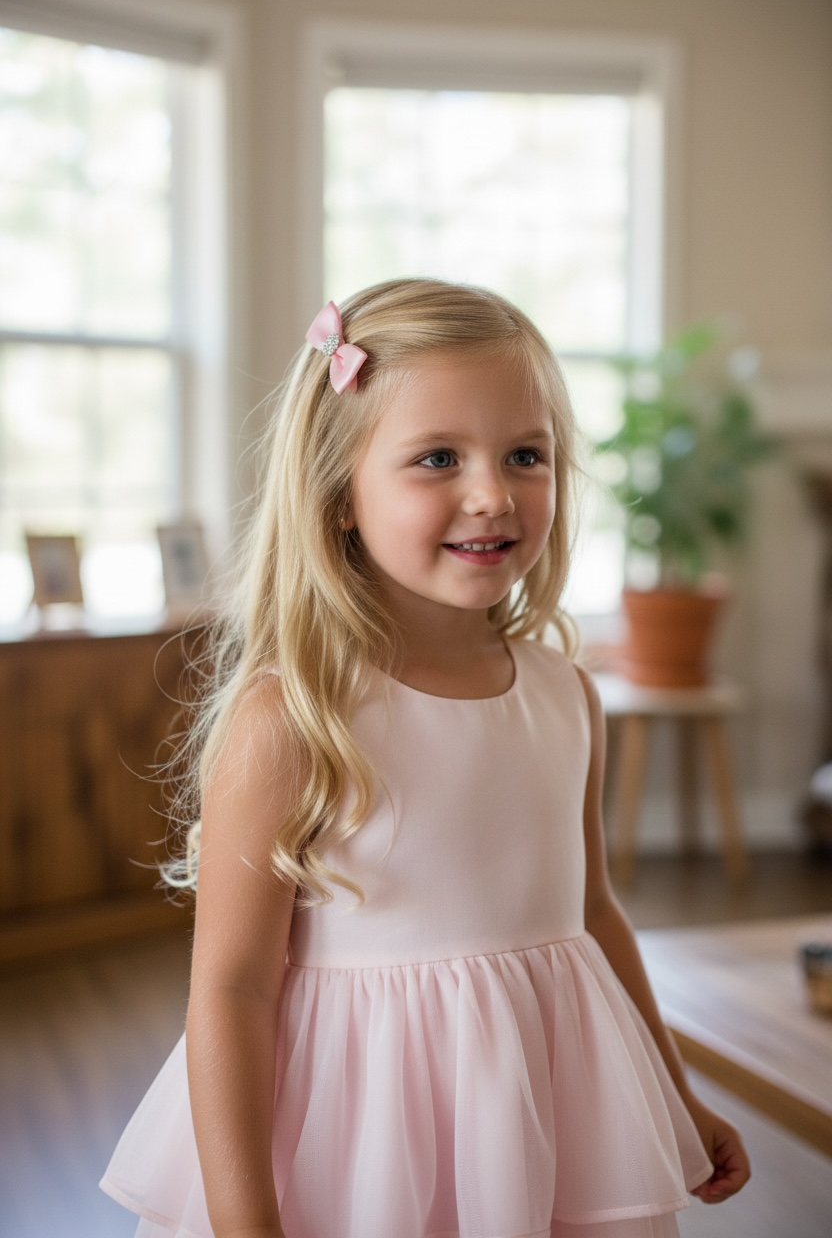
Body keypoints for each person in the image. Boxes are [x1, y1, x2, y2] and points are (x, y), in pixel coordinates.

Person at [101, 279, 750, 1238]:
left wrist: (675, 1099)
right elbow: (232, 988)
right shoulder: (296, 716)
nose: (492, 493)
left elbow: (594, 915)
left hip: (547, 1121)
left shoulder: (564, 695)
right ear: (340, 497)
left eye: (526, 455)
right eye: (438, 457)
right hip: (361, 1148)